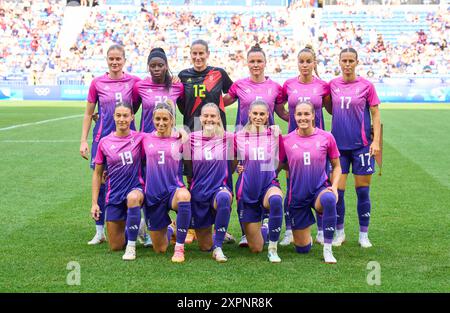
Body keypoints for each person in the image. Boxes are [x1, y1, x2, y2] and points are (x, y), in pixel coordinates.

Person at [223, 43, 288, 248]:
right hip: (244, 144)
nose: (256, 65)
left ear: (265, 63)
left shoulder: (275, 87)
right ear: (247, 63)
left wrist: (305, 119)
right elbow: (222, 102)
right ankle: (246, 231)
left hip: (268, 143)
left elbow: (282, 112)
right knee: (244, 185)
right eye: (252, 61)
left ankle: (267, 221)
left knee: (268, 180)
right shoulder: (239, 85)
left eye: (259, 61)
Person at [80, 44, 141, 245]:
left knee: (134, 181)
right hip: (102, 141)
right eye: (111, 59)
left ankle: (139, 226)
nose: (115, 62)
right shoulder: (97, 83)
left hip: (127, 142)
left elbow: (149, 91)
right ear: (107, 60)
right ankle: (99, 231)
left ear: (124, 60)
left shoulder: (134, 82)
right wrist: (83, 141)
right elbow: (89, 113)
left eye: (118, 59)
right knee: (103, 183)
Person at [177, 39, 235, 244]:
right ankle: (194, 225)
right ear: (190, 54)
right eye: (194, 54)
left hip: (217, 132)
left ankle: (219, 226)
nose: (198, 57)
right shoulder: (183, 76)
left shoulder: (218, 73)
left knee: (222, 179)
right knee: (193, 179)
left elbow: (233, 93)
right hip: (193, 131)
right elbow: (181, 104)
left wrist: (219, 105)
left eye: (201, 53)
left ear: (208, 54)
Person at [329, 47, 381, 248]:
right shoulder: (333, 84)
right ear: (339, 62)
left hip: (362, 147)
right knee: (338, 192)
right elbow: (326, 105)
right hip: (339, 148)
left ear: (357, 62)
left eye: (351, 60)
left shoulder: (367, 86)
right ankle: (340, 233)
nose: (348, 64)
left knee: (363, 191)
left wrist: (375, 141)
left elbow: (375, 114)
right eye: (344, 61)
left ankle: (363, 234)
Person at [280, 45, 331, 246]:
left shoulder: (323, 86)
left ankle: (320, 230)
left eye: (308, 61)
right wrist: (290, 119)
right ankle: (289, 230)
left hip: (318, 144)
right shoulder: (289, 84)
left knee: (320, 184)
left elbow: (331, 109)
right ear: (297, 63)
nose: (305, 65)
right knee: (291, 185)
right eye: (301, 61)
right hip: (294, 144)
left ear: (314, 63)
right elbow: (279, 106)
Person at [280, 101, 341, 264]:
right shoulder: (286, 140)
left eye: (307, 114)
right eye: (299, 114)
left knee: (328, 199)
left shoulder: (326, 137)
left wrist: (334, 187)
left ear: (314, 115)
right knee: (302, 249)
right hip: (298, 197)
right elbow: (277, 166)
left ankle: (328, 248)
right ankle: (305, 239)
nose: (303, 117)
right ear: (294, 116)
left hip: (319, 191)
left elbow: (337, 166)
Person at [91, 102, 145, 261]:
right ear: (114, 117)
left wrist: (182, 133)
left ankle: (131, 247)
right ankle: (137, 226)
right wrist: (94, 203)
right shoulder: (105, 142)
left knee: (133, 198)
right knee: (115, 246)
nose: (122, 119)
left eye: (126, 115)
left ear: (132, 117)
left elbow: (161, 137)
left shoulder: (140, 137)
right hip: (114, 194)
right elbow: (97, 174)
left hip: (136, 189)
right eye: (119, 115)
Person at [183, 103, 235, 262]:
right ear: (200, 118)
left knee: (224, 198)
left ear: (219, 118)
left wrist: (273, 132)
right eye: (206, 116)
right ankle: (217, 233)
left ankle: (218, 247)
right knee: (205, 246)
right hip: (199, 191)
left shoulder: (228, 137)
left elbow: (232, 164)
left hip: (219, 189)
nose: (209, 119)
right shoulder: (191, 138)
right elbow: (188, 164)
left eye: (213, 116)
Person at [235, 100, 284, 263]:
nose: (258, 117)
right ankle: (264, 228)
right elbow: (231, 160)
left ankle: (273, 248)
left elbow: (283, 159)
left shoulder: (274, 134)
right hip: (247, 189)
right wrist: (237, 168)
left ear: (267, 115)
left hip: (268, 184)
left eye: (262, 114)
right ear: (249, 114)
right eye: (255, 113)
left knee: (276, 199)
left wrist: (272, 171)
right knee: (256, 248)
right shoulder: (239, 136)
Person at [142, 102, 191, 263]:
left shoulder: (180, 138)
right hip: (153, 195)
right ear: (153, 119)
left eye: (165, 119)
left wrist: (184, 132)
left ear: (172, 120)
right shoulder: (145, 138)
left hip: (173, 190)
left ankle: (179, 248)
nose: (161, 123)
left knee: (184, 196)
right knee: (160, 248)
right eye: (157, 119)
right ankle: (170, 228)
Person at [132, 47, 184, 133]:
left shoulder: (177, 86)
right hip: (147, 138)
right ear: (148, 67)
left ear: (166, 66)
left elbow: (183, 111)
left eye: (160, 65)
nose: (156, 69)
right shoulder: (139, 87)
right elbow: (132, 111)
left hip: (169, 138)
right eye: (153, 66)